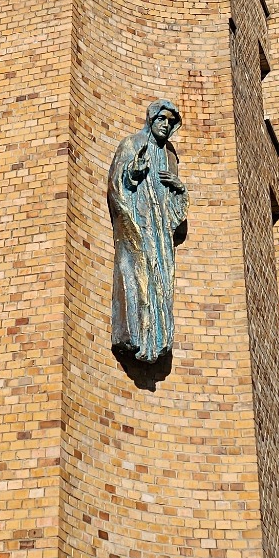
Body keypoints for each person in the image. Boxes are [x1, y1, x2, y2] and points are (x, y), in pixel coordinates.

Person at [107, 100, 188, 365]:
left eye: (170, 122)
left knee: (160, 284)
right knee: (138, 280)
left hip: (160, 232)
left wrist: (179, 189)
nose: (165, 125)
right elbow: (117, 187)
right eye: (161, 120)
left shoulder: (169, 157)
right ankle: (136, 338)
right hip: (138, 226)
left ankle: (158, 340)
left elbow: (175, 209)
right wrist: (133, 173)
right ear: (150, 120)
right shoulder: (131, 145)